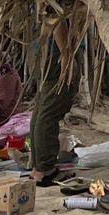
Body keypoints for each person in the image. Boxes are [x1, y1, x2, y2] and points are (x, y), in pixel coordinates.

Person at [29, 17, 82, 186]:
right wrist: (66, 54)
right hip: (56, 58)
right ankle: (45, 170)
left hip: (46, 56)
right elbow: (55, 14)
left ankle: (38, 168)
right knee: (49, 113)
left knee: (42, 110)